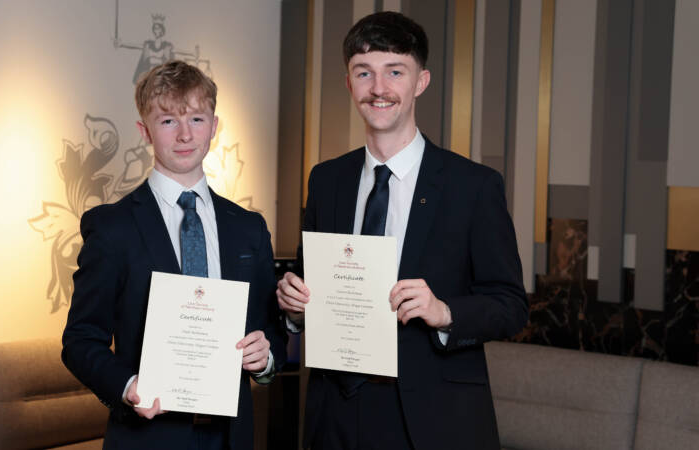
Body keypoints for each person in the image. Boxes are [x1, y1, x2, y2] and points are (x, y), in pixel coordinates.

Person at [276, 11, 528, 450]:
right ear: (349, 83)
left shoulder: (473, 186)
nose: (379, 88)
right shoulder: (326, 179)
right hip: (334, 412)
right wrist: (295, 308)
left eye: (395, 71)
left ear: (421, 81)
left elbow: (510, 306)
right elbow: (313, 285)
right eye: (364, 73)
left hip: (431, 417)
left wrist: (444, 311)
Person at [62, 60, 287, 450]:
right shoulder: (112, 228)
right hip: (147, 438)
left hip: (232, 436)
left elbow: (272, 334)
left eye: (197, 119)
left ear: (214, 126)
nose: (185, 135)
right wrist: (128, 386)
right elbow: (80, 340)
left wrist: (265, 359)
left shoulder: (249, 228)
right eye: (168, 121)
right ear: (144, 131)